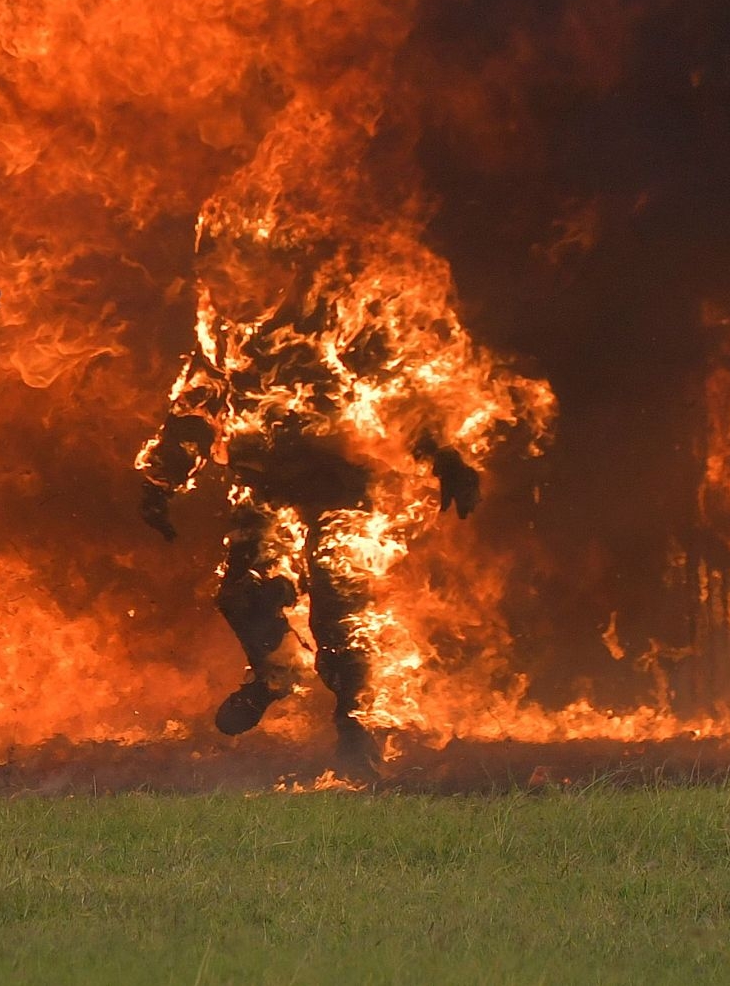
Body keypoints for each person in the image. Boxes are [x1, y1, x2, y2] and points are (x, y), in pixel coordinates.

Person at [138, 218, 485, 777]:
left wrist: (445, 459)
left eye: (254, 266)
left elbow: (398, 398)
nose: (240, 279)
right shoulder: (222, 332)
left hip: (337, 490)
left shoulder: (338, 322)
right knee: (242, 596)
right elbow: (191, 413)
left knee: (339, 610)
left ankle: (354, 726)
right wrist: (160, 482)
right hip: (262, 486)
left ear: (286, 271)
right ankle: (274, 675)